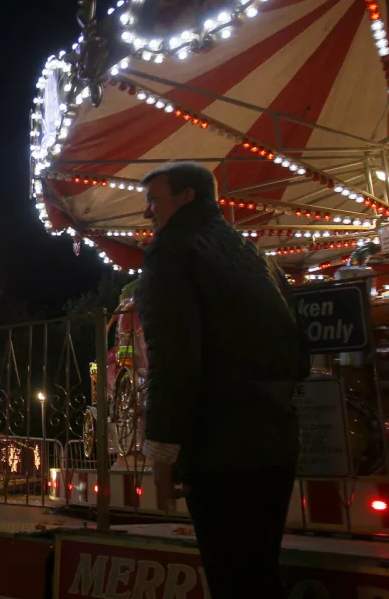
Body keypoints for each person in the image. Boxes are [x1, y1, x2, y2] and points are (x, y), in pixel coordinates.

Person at [136, 162, 308, 599]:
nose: (147, 212)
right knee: (260, 574)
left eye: (154, 200)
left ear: (187, 196)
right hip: (277, 439)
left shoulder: (172, 252)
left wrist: (162, 450)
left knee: (233, 577)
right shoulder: (253, 254)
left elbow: (173, 359)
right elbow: (299, 350)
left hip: (220, 450)